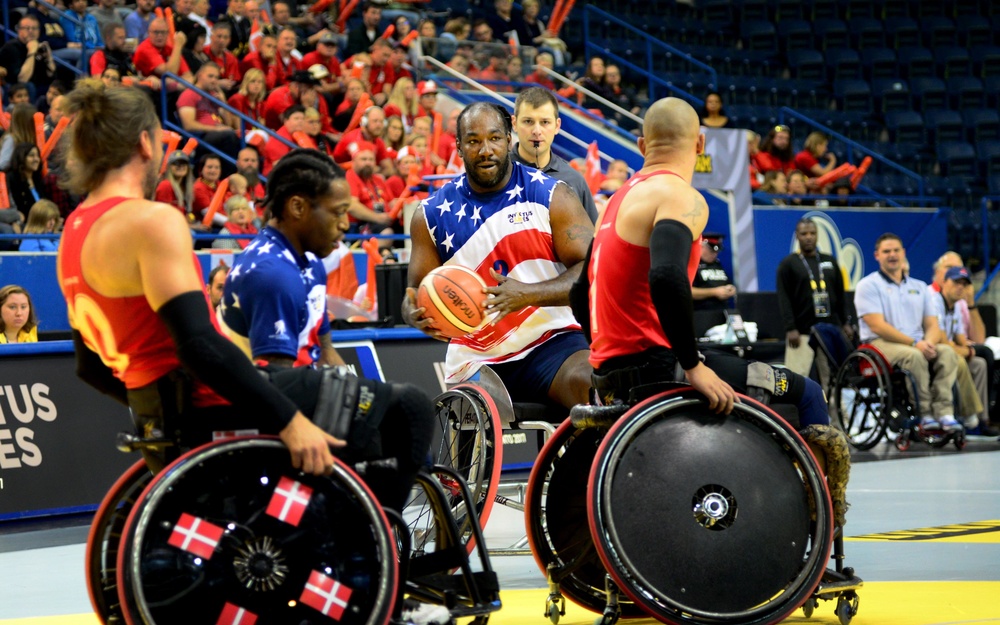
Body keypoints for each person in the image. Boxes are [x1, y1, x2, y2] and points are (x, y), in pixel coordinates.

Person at [55, 81, 437, 558]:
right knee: (412, 410)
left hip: (169, 410)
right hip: (215, 401)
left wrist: (160, 419)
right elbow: (199, 345)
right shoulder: (151, 220)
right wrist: (288, 420)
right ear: (146, 144)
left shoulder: (73, 232)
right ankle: (365, 555)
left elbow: (88, 368)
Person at [578, 97, 847, 526]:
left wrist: (608, 349)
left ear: (641, 142)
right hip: (661, 368)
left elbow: (580, 291)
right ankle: (814, 530)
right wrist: (693, 364)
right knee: (808, 393)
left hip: (608, 373)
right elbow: (667, 277)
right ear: (699, 143)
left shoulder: (613, 202)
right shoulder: (681, 196)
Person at [403, 102, 594, 409]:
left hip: (552, 343)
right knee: (467, 421)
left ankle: (580, 459)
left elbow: (592, 272)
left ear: (508, 139)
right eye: (474, 141)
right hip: (475, 356)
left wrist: (528, 294)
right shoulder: (430, 215)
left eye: (494, 138)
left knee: (590, 386)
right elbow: (414, 292)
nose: (485, 150)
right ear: (460, 148)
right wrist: (414, 314)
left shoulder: (551, 195)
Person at [854, 233, 963, 432]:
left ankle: (945, 413)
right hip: (879, 343)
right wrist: (915, 344)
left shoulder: (919, 287)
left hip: (917, 342)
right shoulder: (867, 285)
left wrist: (928, 342)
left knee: (947, 353)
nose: (892, 255)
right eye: (886, 251)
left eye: (896, 250)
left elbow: (932, 324)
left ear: (903, 253)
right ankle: (925, 414)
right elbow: (878, 326)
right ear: (877, 255)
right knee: (914, 356)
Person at [776, 218, 853, 390]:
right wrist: (790, 328)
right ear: (797, 236)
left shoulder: (829, 261)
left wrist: (846, 322)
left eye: (812, 233)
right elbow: (784, 299)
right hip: (802, 331)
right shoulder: (788, 264)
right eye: (804, 234)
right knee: (796, 379)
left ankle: (834, 416)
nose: (809, 237)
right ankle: (794, 417)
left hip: (829, 329)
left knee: (832, 379)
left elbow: (841, 295)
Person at [510, 87, 599, 222]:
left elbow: (591, 239)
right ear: (514, 123)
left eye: (545, 122)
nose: (537, 130)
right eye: (528, 121)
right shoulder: (496, 173)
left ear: (557, 126)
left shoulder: (574, 181)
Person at [933, 266, 988, 431]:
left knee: (979, 364)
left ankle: (982, 418)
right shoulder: (934, 302)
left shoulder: (957, 305)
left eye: (964, 284)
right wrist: (967, 351)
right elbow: (943, 342)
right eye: (956, 282)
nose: (960, 287)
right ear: (944, 282)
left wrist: (967, 350)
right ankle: (968, 412)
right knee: (959, 360)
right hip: (934, 350)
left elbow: (962, 341)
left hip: (950, 350)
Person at [0, 15, 56, 94]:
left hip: (37, 87)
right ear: (19, 31)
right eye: (27, 28)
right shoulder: (11, 47)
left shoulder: (39, 47)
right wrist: (31, 53)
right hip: (13, 89)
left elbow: (51, 75)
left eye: (34, 28)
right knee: (29, 86)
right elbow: (22, 80)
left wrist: (49, 57)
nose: (31, 31)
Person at [691, 233, 735, 311]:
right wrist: (714, 292)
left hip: (722, 311)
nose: (715, 254)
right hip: (701, 313)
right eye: (711, 251)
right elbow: (688, 292)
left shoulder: (717, 264)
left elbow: (726, 283)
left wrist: (730, 289)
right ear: (701, 246)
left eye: (717, 251)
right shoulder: (692, 265)